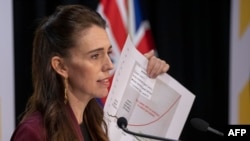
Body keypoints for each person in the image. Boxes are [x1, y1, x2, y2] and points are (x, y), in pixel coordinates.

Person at [10, 4, 169, 141]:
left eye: (109, 53)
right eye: (95, 56)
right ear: (61, 67)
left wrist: (150, 80)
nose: (109, 66)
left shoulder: (100, 121)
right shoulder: (35, 133)